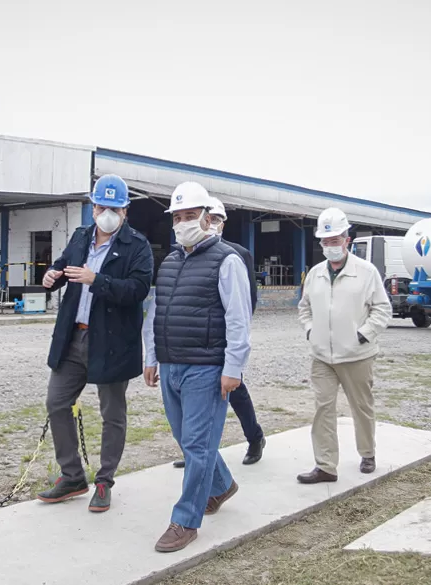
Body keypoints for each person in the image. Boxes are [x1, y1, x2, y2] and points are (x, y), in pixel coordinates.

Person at [142, 181, 252, 553]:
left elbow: (239, 319)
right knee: (188, 440)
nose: (184, 222)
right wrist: (152, 356)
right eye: (178, 216)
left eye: (191, 215)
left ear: (208, 219)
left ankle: (186, 520)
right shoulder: (170, 262)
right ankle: (221, 486)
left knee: (197, 443)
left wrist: (233, 367)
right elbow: (157, 312)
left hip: (206, 367)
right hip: (171, 364)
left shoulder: (227, 260)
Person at [36, 174, 154, 513]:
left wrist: (96, 280)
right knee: (57, 402)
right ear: (93, 206)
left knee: (112, 413)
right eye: (102, 206)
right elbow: (62, 268)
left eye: (114, 208)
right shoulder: (80, 237)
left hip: (113, 342)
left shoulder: (138, 246)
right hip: (74, 336)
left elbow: (137, 290)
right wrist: (51, 278)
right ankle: (72, 475)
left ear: (125, 211)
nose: (107, 213)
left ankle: (104, 480)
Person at [296, 207, 391, 484]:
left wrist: (364, 333)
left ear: (347, 240)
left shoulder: (366, 272)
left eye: (335, 240)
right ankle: (325, 465)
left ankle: (367, 452)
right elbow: (304, 308)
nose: (330, 246)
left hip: (357, 355)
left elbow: (382, 309)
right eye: (325, 241)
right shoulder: (314, 274)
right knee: (322, 409)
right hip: (322, 356)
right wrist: (310, 330)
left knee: (361, 406)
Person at [171, 196, 265, 469]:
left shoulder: (237, 255)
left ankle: (255, 437)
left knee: (235, 391)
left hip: (221, 342)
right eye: (208, 218)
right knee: (192, 403)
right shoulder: (183, 253)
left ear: (222, 223)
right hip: (193, 343)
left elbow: (246, 303)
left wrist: (234, 344)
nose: (211, 224)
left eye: (217, 219)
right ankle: (197, 453)